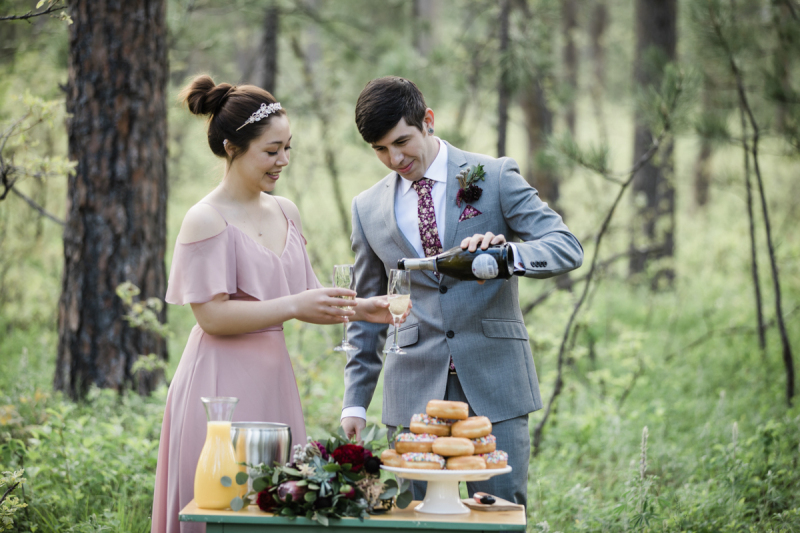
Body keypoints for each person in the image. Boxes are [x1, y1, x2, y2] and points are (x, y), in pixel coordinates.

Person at [151, 75, 401, 533]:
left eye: (288, 148)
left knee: (276, 509)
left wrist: (366, 308)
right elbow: (211, 316)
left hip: (274, 382)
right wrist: (291, 307)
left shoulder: (286, 210)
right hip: (218, 386)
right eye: (271, 151)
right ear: (231, 147)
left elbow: (308, 295)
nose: (283, 160)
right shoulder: (206, 219)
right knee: (224, 508)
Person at [340, 76, 583, 506]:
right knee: (417, 517)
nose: (394, 158)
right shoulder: (366, 209)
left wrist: (508, 256)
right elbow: (369, 310)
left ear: (428, 121)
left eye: (402, 141)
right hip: (412, 390)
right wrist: (355, 402)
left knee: (500, 515)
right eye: (380, 149)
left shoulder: (493, 176)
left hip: (495, 382)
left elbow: (566, 247)